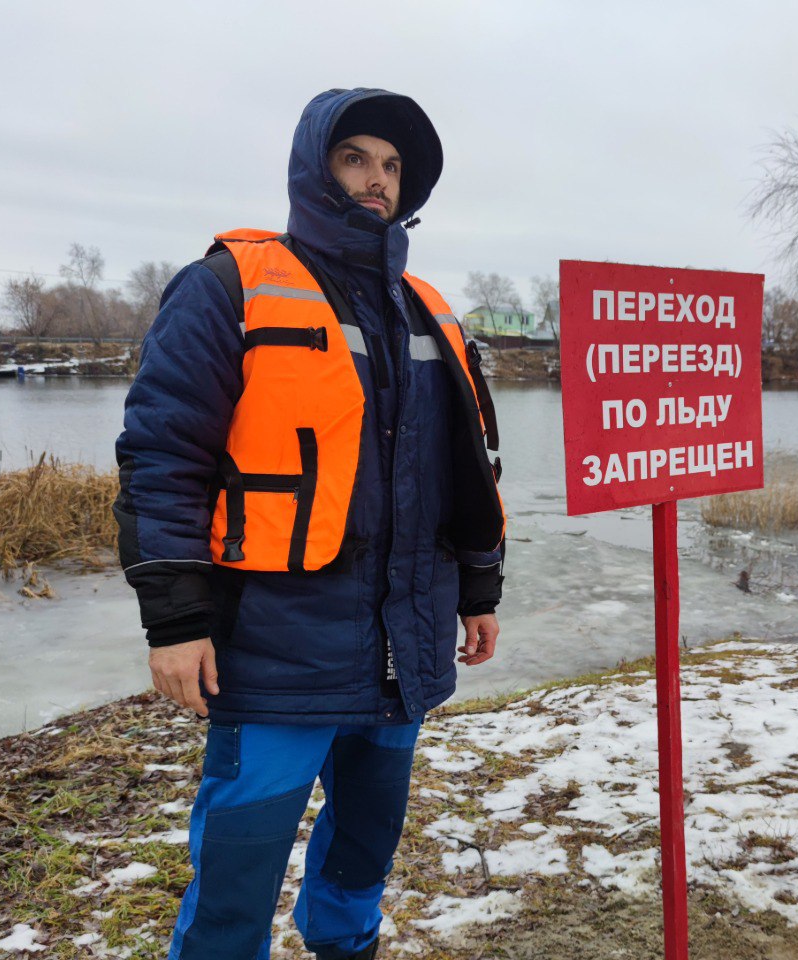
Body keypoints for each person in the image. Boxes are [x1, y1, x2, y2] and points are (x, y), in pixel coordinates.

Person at [113, 87, 506, 960]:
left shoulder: (431, 311)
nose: (377, 180)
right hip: (272, 658)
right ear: (314, 166)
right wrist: (176, 620)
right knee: (236, 886)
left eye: (393, 165)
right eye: (355, 157)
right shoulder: (228, 287)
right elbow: (162, 457)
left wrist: (479, 588)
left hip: (401, 655)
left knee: (363, 862)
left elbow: (471, 467)